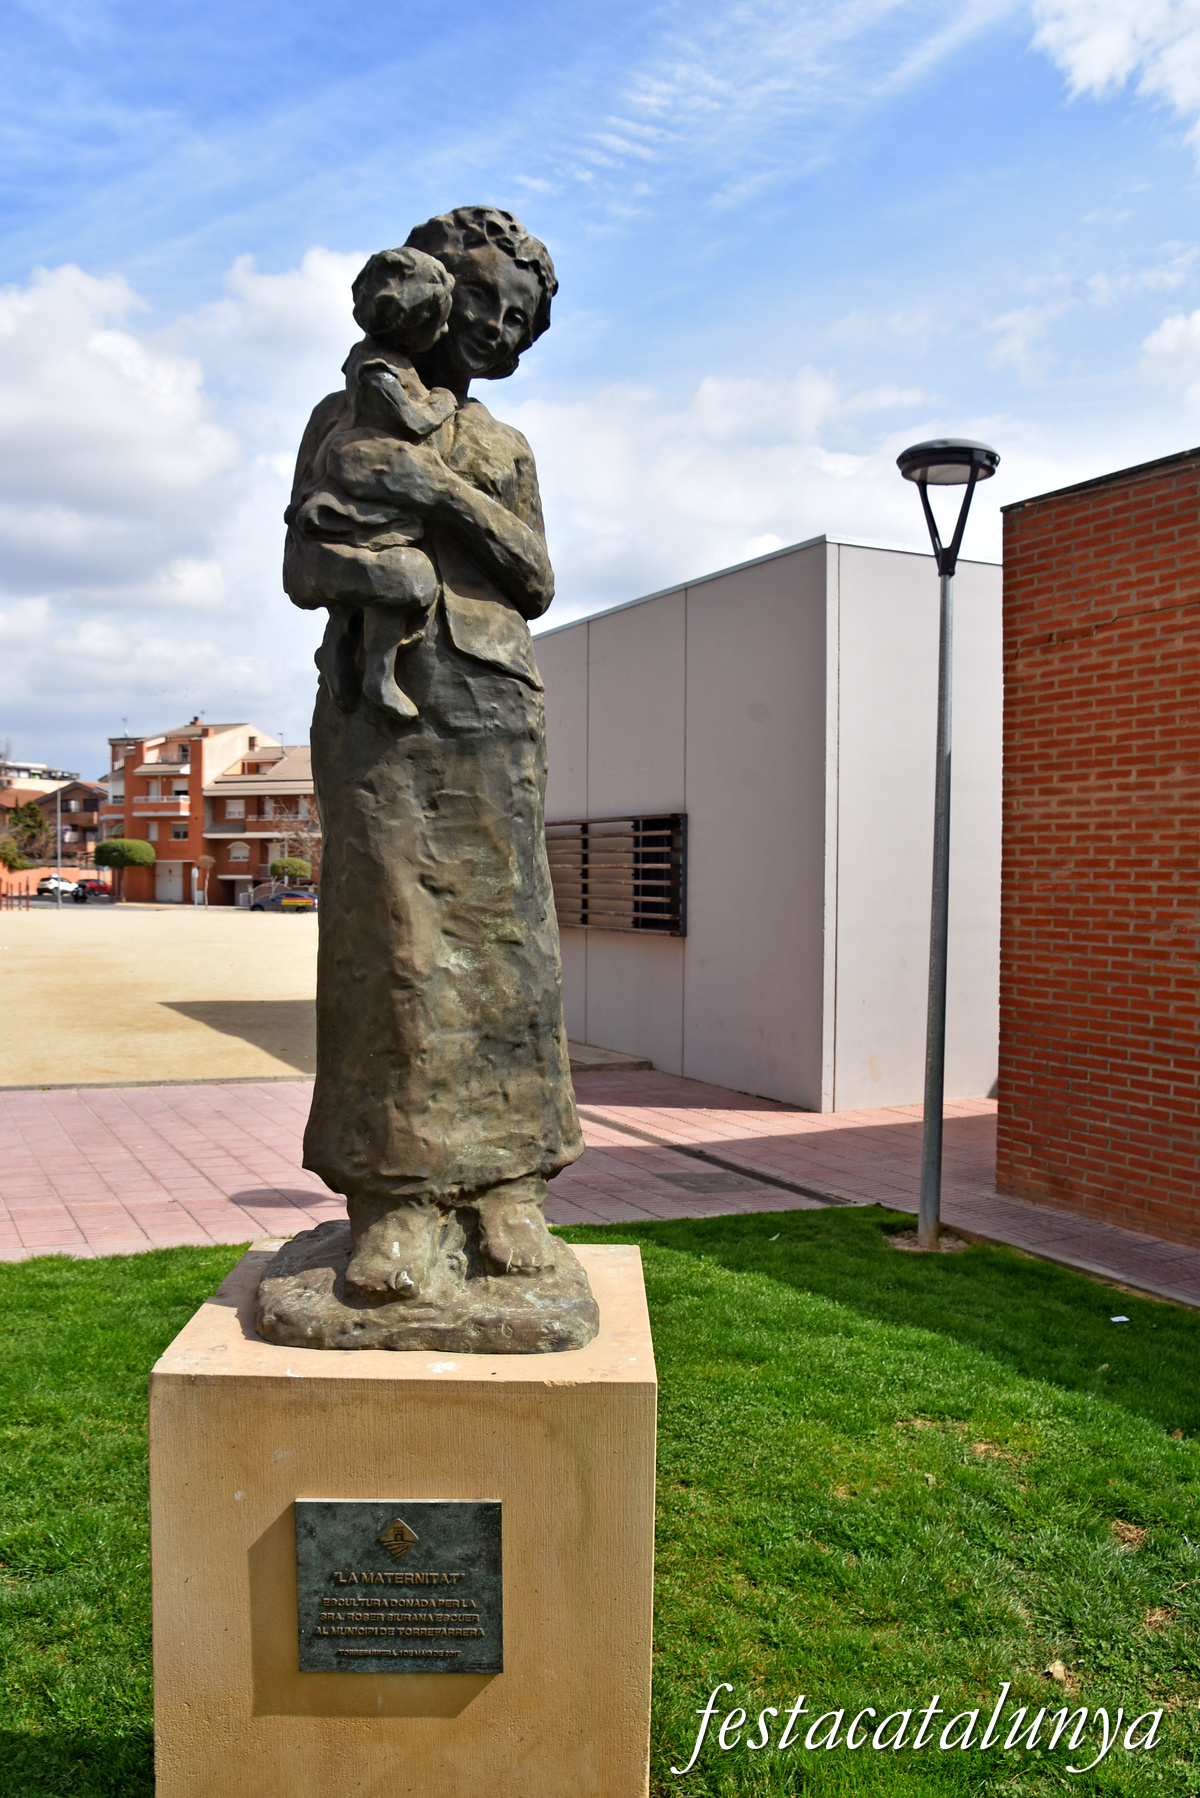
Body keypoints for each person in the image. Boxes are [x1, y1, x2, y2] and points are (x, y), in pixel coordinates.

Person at [285, 207, 583, 1301]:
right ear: (441, 288)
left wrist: (435, 493)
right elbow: (304, 568)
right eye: (494, 305)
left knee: (510, 946)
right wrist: (385, 576)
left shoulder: (504, 447)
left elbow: (538, 580)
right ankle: (397, 1198)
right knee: (393, 943)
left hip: (494, 699)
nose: (503, 334)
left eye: (524, 325)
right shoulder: (342, 412)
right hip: (379, 711)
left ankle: (510, 1185)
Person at [286, 245, 457, 719]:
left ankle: (338, 651)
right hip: (362, 492)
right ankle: (378, 673)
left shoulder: (371, 360)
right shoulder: (379, 370)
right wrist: (443, 401)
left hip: (360, 491)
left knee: (361, 592)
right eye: (438, 322)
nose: (445, 332)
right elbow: (412, 421)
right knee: (392, 582)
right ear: (412, 321)